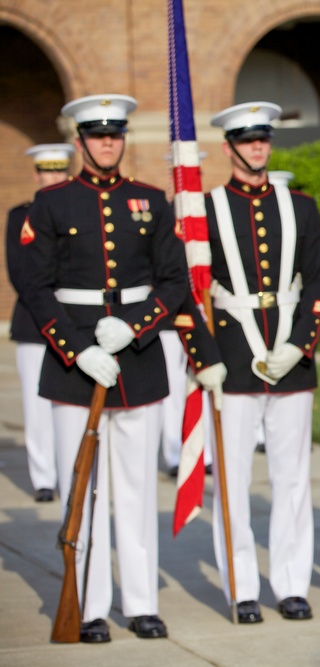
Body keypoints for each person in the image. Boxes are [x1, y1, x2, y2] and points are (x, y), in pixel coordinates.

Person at [20, 94, 220, 642]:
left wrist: (135, 325)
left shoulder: (150, 202)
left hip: (137, 362)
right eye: (97, 135)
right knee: (82, 489)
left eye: (116, 134)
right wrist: (75, 347)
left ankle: (140, 602)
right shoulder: (52, 203)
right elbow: (35, 286)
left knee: (134, 489)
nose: (108, 143)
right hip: (74, 366)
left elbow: (175, 281)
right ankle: (86, 605)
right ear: (80, 141)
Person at [205, 101, 320, 624]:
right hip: (232, 361)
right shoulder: (204, 208)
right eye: (248, 140)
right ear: (229, 146)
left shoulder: (299, 207)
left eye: (264, 139)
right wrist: (204, 358)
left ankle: (292, 583)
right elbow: (190, 290)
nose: (258, 147)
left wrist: (300, 344)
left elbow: (316, 284)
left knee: (292, 477)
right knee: (233, 480)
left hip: (290, 358)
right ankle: (241, 586)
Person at [6, 144, 74, 502]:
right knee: (37, 403)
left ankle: (71, 471)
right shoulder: (22, 216)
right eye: (47, 171)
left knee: (71, 404)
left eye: (60, 170)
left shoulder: (79, 210)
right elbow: (20, 271)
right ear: (37, 174)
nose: (53, 177)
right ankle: (44, 477)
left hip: (75, 321)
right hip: (34, 324)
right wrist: (51, 311)